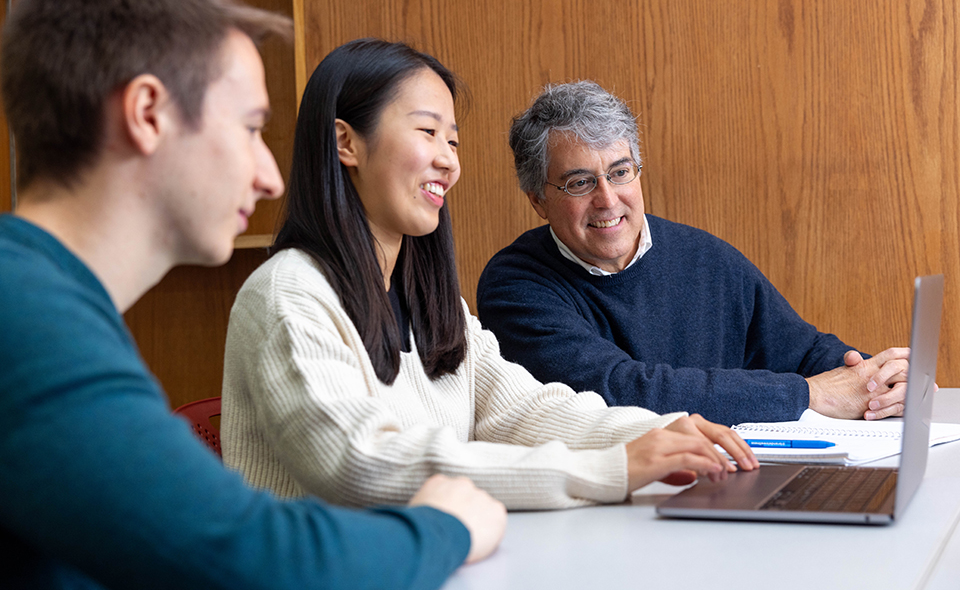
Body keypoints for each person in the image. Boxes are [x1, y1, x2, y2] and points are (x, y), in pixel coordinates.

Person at [0, 0, 507, 588]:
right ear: (148, 113)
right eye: (249, 128)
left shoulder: (45, 303)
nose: (269, 176)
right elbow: (254, 555)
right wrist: (445, 524)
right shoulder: (27, 321)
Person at [220, 39, 758, 513]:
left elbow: (526, 411)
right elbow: (365, 465)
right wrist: (613, 468)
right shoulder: (286, 294)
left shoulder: (433, 304)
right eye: (428, 132)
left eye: (452, 141)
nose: (449, 162)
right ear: (346, 143)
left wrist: (662, 431)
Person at [476, 80, 911, 427]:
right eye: (579, 182)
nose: (608, 200)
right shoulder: (514, 286)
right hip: (616, 509)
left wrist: (877, 380)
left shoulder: (705, 257)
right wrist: (811, 394)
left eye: (620, 172)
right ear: (538, 200)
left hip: (732, 486)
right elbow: (620, 392)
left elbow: (801, 350)